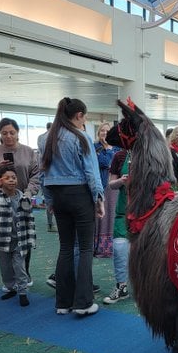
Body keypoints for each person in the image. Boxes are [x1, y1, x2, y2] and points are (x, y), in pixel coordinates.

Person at [42, 97, 104, 316]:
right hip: (79, 194)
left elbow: (44, 173)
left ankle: (63, 303)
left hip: (58, 196)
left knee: (66, 248)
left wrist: (49, 200)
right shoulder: (82, 137)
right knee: (86, 248)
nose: (85, 120)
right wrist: (99, 199)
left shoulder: (48, 139)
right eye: (85, 116)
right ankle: (84, 303)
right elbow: (91, 173)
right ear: (79, 116)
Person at [0, 117, 40, 283]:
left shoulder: (29, 151)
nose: (8, 136)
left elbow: (36, 175)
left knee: (24, 238)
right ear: (0, 134)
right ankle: (9, 279)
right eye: (4, 133)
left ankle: (24, 274)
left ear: (17, 133)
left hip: (23, 200)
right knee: (5, 237)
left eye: (12, 132)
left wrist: (28, 194)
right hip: (2, 202)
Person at [0, 165, 36, 307]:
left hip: (20, 239)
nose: (11, 180)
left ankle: (22, 292)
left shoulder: (22, 197)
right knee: (5, 267)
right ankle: (11, 287)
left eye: (13, 178)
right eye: (7, 178)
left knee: (19, 266)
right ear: (0, 181)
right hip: (3, 240)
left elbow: (29, 217)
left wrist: (31, 237)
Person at [103, 149, 131, 305]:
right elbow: (111, 184)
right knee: (120, 248)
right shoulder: (120, 156)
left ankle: (147, 288)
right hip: (123, 211)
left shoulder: (150, 154)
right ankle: (122, 287)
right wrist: (121, 181)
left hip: (146, 213)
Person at [94, 122, 119, 258]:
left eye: (107, 131)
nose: (104, 133)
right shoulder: (95, 147)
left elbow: (116, 165)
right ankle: (99, 248)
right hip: (100, 187)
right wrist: (108, 150)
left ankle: (111, 248)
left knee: (112, 215)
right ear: (98, 133)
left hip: (114, 187)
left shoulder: (117, 148)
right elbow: (106, 163)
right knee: (100, 217)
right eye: (102, 131)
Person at [37, 122, 55, 231]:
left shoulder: (41, 138)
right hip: (49, 176)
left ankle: (50, 224)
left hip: (44, 176)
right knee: (53, 201)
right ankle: (51, 224)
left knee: (49, 201)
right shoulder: (49, 138)